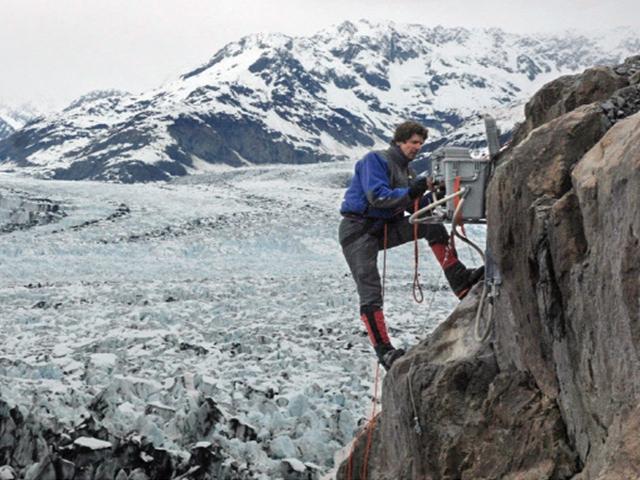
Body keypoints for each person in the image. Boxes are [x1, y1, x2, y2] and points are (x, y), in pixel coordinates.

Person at [338, 121, 484, 371]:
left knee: (431, 225)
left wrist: (438, 194)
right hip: (358, 230)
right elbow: (378, 196)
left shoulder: (407, 172)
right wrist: (415, 190)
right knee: (370, 288)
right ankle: (384, 350)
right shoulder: (376, 160)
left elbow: (414, 206)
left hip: (382, 228)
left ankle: (460, 281)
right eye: (413, 142)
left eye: (421, 144)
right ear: (400, 141)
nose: (417, 147)